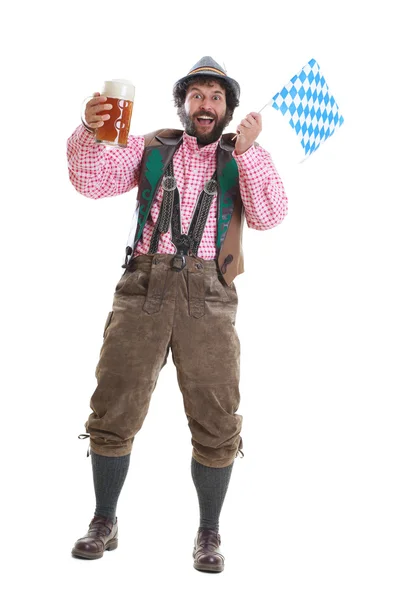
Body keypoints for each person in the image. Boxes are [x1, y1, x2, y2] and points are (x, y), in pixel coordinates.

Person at [66, 56, 288, 572]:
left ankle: (208, 532)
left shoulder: (246, 156)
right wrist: (88, 129)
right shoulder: (152, 147)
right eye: (197, 95)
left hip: (208, 295)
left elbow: (271, 215)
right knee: (114, 404)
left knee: (215, 417)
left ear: (228, 108)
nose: (205, 105)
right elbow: (91, 181)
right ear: (184, 104)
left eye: (215, 96)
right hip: (143, 286)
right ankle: (105, 520)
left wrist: (250, 155)